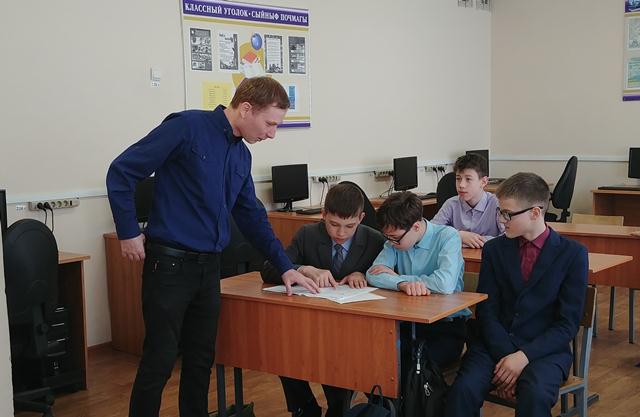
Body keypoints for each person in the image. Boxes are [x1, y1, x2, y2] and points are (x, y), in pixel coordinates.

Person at [106, 76, 318, 417]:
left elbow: (252, 216)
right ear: (246, 108)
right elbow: (122, 171)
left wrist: (285, 266)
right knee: (160, 359)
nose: (271, 134)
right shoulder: (187, 127)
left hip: (209, 269)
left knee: (201, 360)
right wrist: (128, 231)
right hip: (169, 266)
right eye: (270, 124)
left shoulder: (241, 156)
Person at [444, 172, 588, 417]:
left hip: (544, 351)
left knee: (535, 394)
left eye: (507, 214)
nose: (501, 221)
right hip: (494, 344)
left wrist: (522, 357)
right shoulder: (494, 249)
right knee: (463, 390)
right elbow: (487, 310)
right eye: (499, 212)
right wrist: (507, 358)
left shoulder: (573, 254)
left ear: (535, 213)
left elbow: (567, 324)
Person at [262, 183, 385, 417]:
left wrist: (366, 274)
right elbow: (269, 269)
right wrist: (303, 269)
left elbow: (390, 275)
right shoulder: (307, 234)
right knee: (283, 352)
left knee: (336, 362)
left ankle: (338, 409)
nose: (341, 233)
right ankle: (305, 408)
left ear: (361, 218)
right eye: (334, 224)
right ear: (323, 214)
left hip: (355, 329)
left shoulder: (375, 240)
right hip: (309, 323)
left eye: (350, 226)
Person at [366, 191, 469, 369]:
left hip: (445, 326)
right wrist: (402, 285)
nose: (391, 242)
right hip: (408, 322)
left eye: (395, 238)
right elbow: (373, 274)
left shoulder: (448, 236)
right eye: (388, 237)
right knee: (377, 359)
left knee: (414, 368)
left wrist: (399, 278)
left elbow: (444, 284)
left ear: (415, 226)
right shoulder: (394, 241)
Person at [431, 153, 504, 248]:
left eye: (468, 179)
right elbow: (431, 231)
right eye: (458, 179)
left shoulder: (497, 204)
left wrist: (476, 240)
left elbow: (508, 237)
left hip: (489, 255)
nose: (461, 185)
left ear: (483, 182)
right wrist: (458, 235)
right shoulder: (451, 204)